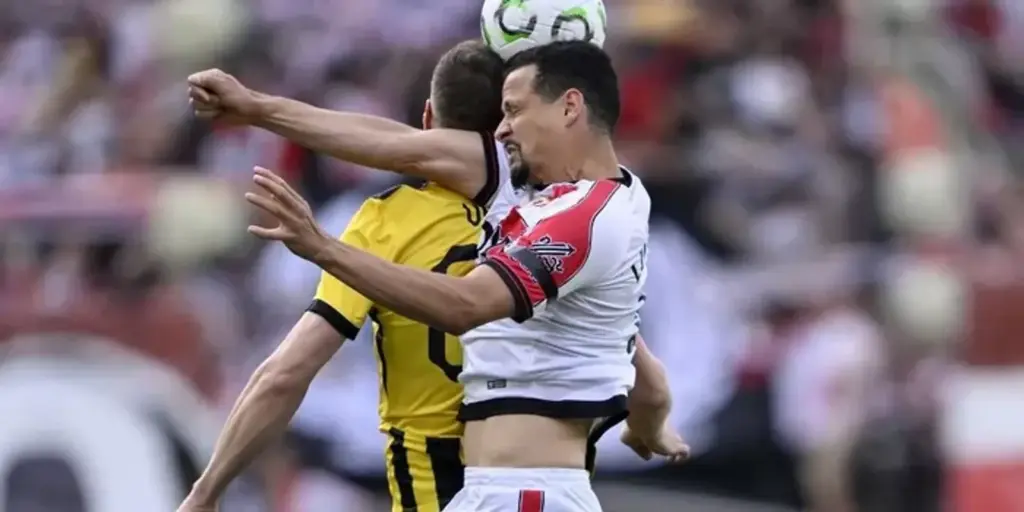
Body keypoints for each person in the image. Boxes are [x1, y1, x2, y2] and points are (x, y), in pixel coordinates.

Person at [193, 41, 686, 512]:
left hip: (499, 487)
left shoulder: (571, 218)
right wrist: (649, 421)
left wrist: (323, 246)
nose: (506, 131)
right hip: (511, 484)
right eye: (505, 113)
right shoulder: (545, 205)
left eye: (518, 112)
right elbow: (647, 379)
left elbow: (461, 303)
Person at [177, 41, 507, 512]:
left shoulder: (384, 224)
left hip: (434, 481)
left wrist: (205, 492)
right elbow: (394, 142)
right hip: (536, 469)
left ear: (429, 117)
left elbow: (285, 373)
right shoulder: (547, 204)